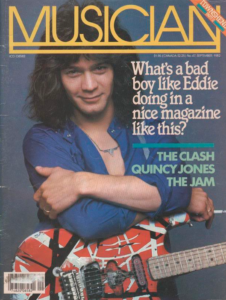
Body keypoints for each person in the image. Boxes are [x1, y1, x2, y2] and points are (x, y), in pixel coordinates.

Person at [23, 0, 214, 298]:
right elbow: (90, 221)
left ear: (118, 69)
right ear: (56, 78)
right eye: (73, 72)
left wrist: (80, 182)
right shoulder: (44, 140)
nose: (89, 85)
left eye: (100, 67)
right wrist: (176, 198)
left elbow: (176, 190)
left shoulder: (154, 129)